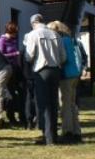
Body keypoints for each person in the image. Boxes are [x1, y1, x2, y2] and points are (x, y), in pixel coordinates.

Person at [22, 14, 65, 145]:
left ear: (33, 23)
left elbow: (29, 57)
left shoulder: (32, 35)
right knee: (53, 103)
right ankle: (54, 135)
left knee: (43, 104)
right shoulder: (55, 34)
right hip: (56, 70)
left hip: (42, 71)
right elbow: (63, 56)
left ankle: (48, 138)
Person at [48, 20, 84, 143]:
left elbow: (62, 58)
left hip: (66, 75)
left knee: (65, 104)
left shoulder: (61, 41)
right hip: (75, 74)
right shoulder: (70, 40)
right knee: (72, 104)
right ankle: (76, 130)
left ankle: (67, 131)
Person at [0, 22, 22, 126]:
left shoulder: (13, 40)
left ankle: (12, 117)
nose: (16, 35)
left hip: (14, 69)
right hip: (4, 69)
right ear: (10, 31)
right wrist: (14, 54)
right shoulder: (2, 41)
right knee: (6, 94)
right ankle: (3, 117)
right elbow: (1, 56)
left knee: (13, 93)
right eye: (15, 33)